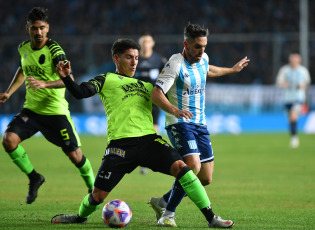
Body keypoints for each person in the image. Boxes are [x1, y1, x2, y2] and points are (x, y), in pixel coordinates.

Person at [50, 38, 234, 228]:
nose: (134, 62)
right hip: (120, 146)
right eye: (129, 57)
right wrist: (66, 77)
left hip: (149, 142)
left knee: (183, 169)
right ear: (116, 58)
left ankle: (211, 218)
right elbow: (80, 92)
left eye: (136, 58)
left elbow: (183, 81)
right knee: (97, 196)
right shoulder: (105, 79)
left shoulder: (148, 87)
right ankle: (79, 217)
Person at [148, 22, 250, 227]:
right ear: (186, 44)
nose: (201, 51)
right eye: (197, 47)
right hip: (179, 122)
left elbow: (207, 70)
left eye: (204, 46)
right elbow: (156, 93)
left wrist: (231, 70)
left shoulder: (203, 58)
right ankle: (168, 215)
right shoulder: (175, 63)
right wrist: (175, 111)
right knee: (192, 166)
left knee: (205, 178)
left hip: (200, 124)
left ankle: (163, 201)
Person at [0, 7, 94, 204]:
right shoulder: (23, 48)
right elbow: (23, 70)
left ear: (48, 28)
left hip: (56, 113)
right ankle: (34, 177)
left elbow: (70, 80)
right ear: (28, 28)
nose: (39, 32)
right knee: (8, 140)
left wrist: (45, 84)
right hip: (32, 111)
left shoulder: (55, 51)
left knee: (75, 156)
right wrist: (9, 92)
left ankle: (94, 189)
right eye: (34, 28)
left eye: (42, 28)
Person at [135, 33, 167, 175]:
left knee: (153, 130)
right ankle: (141, 159)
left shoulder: (159, 60)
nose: (146, 44)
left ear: (152, 43)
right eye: (143, 42)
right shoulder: (134, 59)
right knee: (138, 130)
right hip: (136, 101)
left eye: (148, 42)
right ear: (140, 44)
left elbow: (167, 78)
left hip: (153, 100)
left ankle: (148, 159)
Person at [276, 53, 311, 148]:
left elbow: (307, 82)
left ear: (299, 61)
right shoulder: (284, 70)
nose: (294, 62)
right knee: (290, 119)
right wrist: (283, 84)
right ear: (289, 61)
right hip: (287, 98)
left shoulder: (303, 70)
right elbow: (278, 83)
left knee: (293, 116)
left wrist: (303, 86)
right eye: (292, 60)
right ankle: (293, 135)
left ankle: (294, 138)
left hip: (298, 97)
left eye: (296, 60)